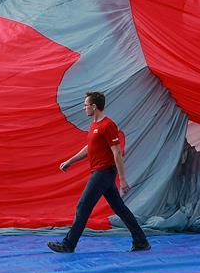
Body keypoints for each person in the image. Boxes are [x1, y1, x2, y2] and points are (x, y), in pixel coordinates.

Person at [47, 91, 151, 253]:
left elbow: (116, 152)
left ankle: (68, 244)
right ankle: (141, 241)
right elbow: (90, 147)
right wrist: (70, 161)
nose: (84, 108)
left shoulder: (108, 125)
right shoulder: (94, 125)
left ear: (94, 107)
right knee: (120, 208)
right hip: (101, 172)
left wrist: (122, 179)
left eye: (86, 105)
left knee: (83, 207)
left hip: (103, 172)